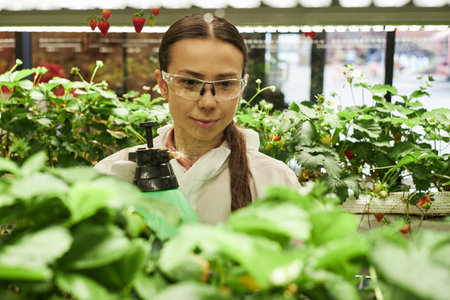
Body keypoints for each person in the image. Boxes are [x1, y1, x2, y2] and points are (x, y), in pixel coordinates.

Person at [95, 13, 301, 225]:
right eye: (190, 83)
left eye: (225, 84)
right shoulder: (114, 175)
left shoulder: (275, 182)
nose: (208, 103)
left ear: (241, 88)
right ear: (163, 84)